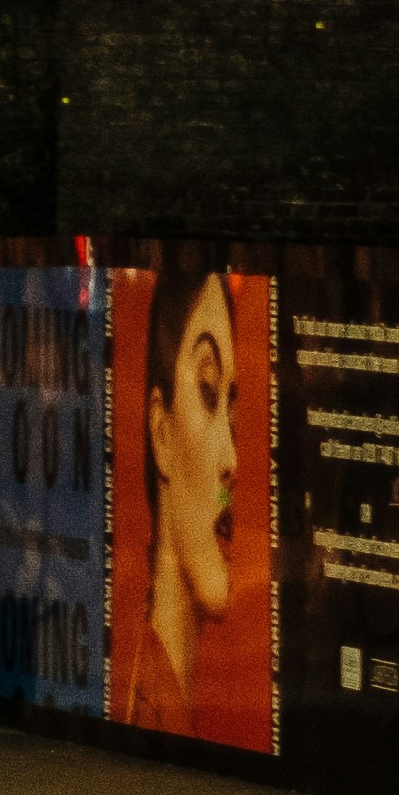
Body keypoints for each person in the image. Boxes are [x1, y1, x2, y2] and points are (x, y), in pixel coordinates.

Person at [128, 265, 251, 733]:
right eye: (207, 391)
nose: (232, 461)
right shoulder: (152, 711)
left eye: (232, 412)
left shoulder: (165, 702)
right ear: (161, 434)